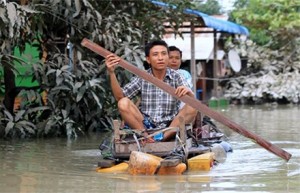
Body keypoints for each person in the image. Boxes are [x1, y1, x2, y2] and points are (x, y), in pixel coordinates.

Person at [105, 40, 197, 142]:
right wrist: (111, 72)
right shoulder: (142, 77)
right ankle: (146, 137)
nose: (160, 58)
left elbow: (190, 101)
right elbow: (120, 97)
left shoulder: (177, 76)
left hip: (169, 127)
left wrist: (189, 93)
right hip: (145, 125)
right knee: (123, 103)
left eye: (164, 54)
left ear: (167, 57)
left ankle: (162, 139)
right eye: (155, 55)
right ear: (148, 59)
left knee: (193, 105)